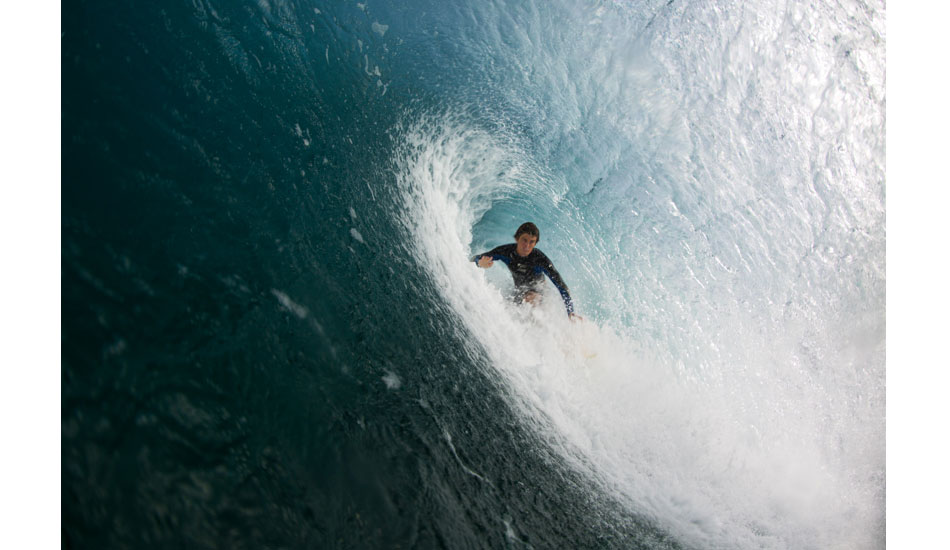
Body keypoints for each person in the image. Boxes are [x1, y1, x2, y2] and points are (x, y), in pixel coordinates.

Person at [471, 222, 579, 319]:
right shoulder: (507, 252)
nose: (527, 246)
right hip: (520, 291)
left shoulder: (540, 259)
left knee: (530, 300)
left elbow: (562, 287)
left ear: (535, 243)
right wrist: (480, 262)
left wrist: (571, 313)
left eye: (532, 242)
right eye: (524, 240)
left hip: (539, 293)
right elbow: (475, 258)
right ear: (517, 238)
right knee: (511, 306)